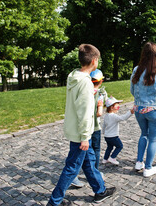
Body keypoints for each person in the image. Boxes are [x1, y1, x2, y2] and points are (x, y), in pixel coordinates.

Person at [47, 44, 115, 206]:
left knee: (89, 161)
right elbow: (84, 113)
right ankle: (54, 202)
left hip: (78, 131)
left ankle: (100, 190)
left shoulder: (74, 76)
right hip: (81, 134)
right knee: (72, 167)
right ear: (94, 61)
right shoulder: (85, 83)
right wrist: (85, 137)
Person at [130, 42, 156, 177]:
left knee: (143, 134)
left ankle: (139, 162)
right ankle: (148, 167)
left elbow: (132, 90)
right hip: (154, 109)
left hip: (139, 109)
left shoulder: (137, 70)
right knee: (153, 139)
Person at [71, 69, 107, 187]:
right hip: (93, 127)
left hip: (80, 126)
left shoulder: (83, 89)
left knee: (80, 154)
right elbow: (99, 113)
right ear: (101, 81)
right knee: (93, 151)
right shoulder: (100, 94)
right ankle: (94, 173)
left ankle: (76, 176)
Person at [102, 96, 134, 165]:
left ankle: (105, 159)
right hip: (113, 136)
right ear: (112, 107)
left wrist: (103, 132)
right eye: (117, 105)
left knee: (109, 147)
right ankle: (112, 158)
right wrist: (130, 112)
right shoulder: (114, 116)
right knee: (120, 146)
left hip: (107, 136)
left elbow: (104, 125)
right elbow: (123, 118)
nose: (118, 106)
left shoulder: (106, 116)